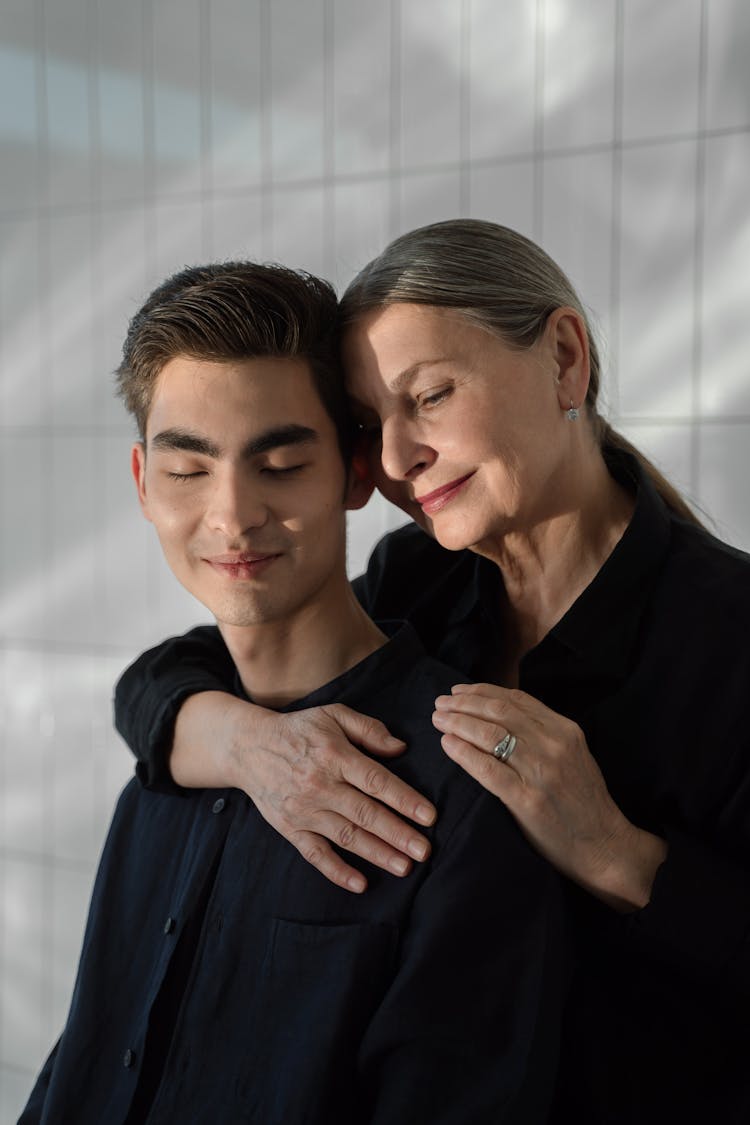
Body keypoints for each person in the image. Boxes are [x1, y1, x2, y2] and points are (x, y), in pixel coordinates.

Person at [114, 220, 750, 1125]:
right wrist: (247, 744)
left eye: (433, 395)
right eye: (372, 424)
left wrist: (618, 852)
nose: (397, 460)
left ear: (565, 359)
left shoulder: (729, 639)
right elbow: (167, 674)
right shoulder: (422, 578)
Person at [20, 260, 566, 1125]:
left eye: (277, 464)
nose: (232, 517)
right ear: (141, 483)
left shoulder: (458, 792)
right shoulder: (171, 753)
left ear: (355, 473)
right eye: (187, 470)